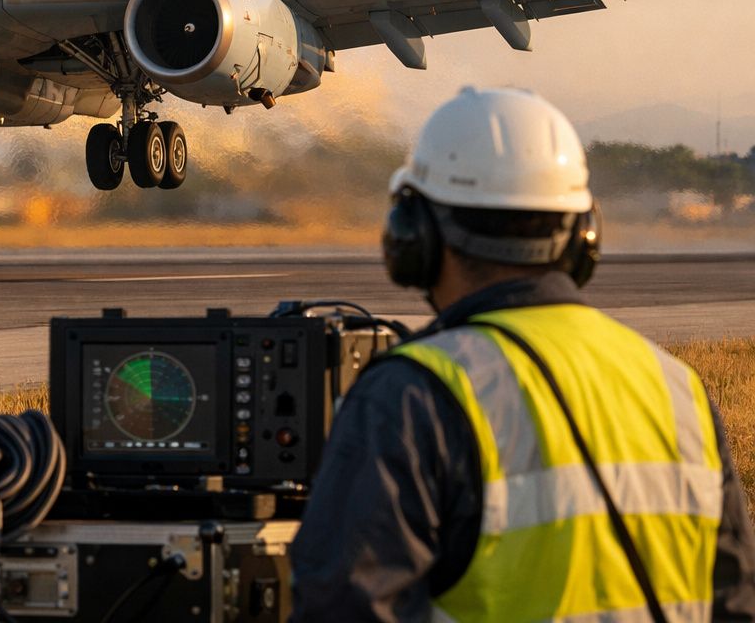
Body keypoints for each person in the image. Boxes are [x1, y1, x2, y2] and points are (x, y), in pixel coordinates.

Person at [290, 86, 755, 621]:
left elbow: (344, 605)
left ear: (412, 236)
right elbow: (734, 603)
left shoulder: (412, 395)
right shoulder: (678, 389)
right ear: (584, 236)